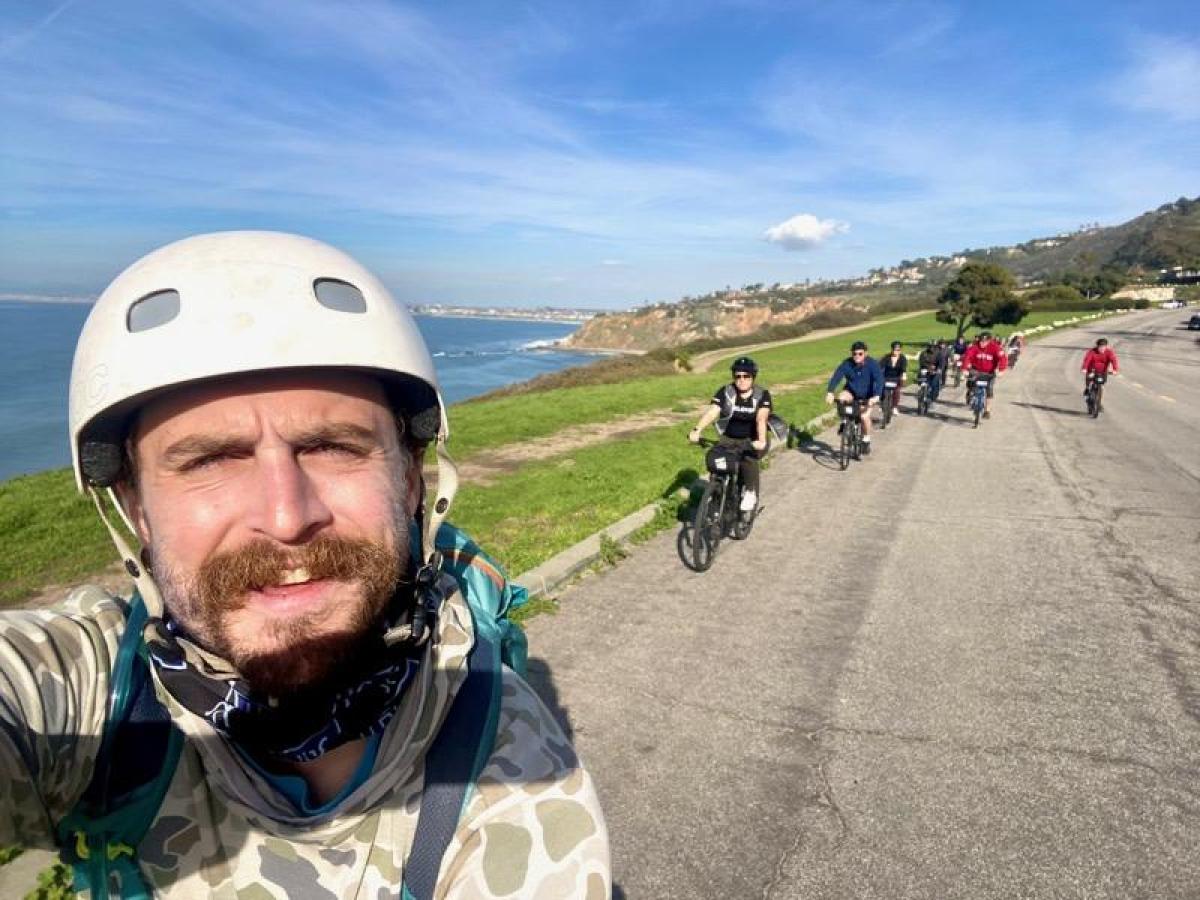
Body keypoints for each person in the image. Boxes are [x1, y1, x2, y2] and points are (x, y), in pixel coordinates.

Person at [0, 232, 610, 898]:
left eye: (331, 446)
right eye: (210, 460)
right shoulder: (92, 688)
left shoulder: (515, 773)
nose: (288, 518)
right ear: (136, 511)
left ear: (411, 480)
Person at [689, 356, 770, 512]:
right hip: (729, 438)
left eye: (746, 376)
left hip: (752, 439)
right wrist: (697, 429)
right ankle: (717, 493)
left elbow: (761, 418)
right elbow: (713, 411)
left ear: (753, 377)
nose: (741, 380)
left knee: (748, 457)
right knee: (716, 459)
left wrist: (760, 440)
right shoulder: (726, 392)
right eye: (738, 376)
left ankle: (750, 492)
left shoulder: (761, 395)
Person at [825, 340, 883, 454]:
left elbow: (880, 380)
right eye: (854, 354)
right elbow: (837, 376)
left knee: (864, 417)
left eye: (860, 353)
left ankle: (866, 439)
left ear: (865, 353)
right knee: (841, 398)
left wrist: (876, 396)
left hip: (867, 396)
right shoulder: (847, 363)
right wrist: (830, 392)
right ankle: (844, 422)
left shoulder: (872, 364)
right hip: (851, 392)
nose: (857, 356)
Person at [960, 330, 1008, 418]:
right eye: (981, 341)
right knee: (971, 383)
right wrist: (964, 369)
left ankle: (987, 410)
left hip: (989, 372)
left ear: (989, 341)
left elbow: (1003, 358)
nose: (982, 343)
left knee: (989, 391)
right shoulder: (974, 347)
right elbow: (967, 357)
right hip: (976, 370)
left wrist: (1001, 370)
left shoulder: (995, 347)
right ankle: (970, 393)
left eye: (985, 341)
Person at [879, 341, 908, 419]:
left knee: (897, 391)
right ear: (891, 349)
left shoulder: (903, 358)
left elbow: (903, 369)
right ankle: (882, 404)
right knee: (882, 390)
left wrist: (903, 376)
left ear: (900, 350)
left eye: (898, 350)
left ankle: (894, 407)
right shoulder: (886, 357)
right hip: (886, 377)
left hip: (897, 378)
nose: (896, 351)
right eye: (895, 349)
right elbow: (880, 366)